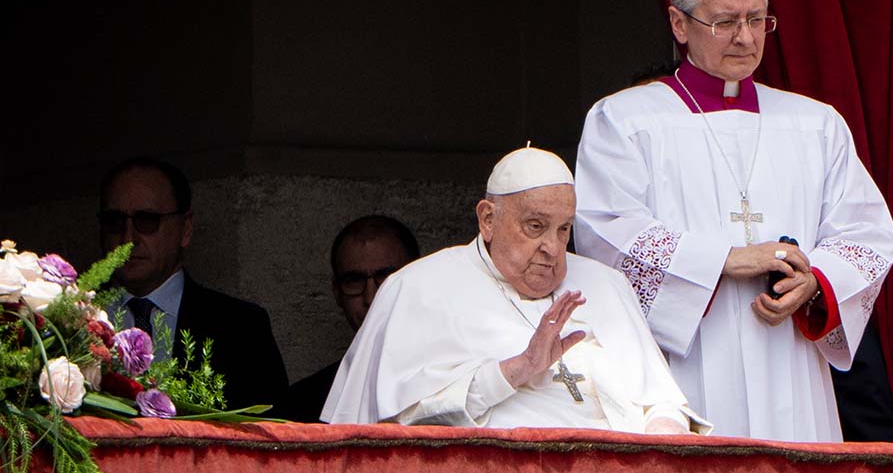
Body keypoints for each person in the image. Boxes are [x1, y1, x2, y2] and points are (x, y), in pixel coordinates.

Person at [574, 0, 893, 442]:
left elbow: (867, 233)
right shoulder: (624, 120)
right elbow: (606, 233)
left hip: (791, 362)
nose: (745, 38)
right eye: (724, 21)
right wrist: (726, 259)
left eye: (757, 19)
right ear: (679, 24)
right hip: (687, 359)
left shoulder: (815, 124)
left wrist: (816, 283)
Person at [320, 146, 710, 434]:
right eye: (535, 227)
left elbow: (662, 402)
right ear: (488, 219)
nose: (554, 250)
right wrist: (517, 370)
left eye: (564, 229)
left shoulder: (606, 284)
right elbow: (399, 425)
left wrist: (663, 439)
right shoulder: (416, 287)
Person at [99, 157, 288, 410]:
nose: (128, 237)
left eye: (147, 221)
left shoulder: (241, 328)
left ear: (185, 228)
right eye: (115, 221)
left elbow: (273, 435)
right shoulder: (69, 320)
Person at [276, 215, 420, 422]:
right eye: (354, 281)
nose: (371, 298)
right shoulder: (302, 405)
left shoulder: (455, 383)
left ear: (418, 279)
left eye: (387, 279)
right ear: (336, 292)